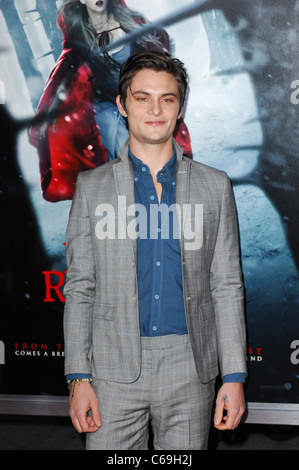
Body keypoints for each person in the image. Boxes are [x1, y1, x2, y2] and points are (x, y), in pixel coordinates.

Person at [63, 51, 247, 450]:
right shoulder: (92, 188)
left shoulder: (215, 187)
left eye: (167, 98)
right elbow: (79, 288)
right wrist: (79, 377)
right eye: (142, 97)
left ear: (180, 108)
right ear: (122, 105)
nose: (155, 109)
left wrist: (233, 377)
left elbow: (226, 286)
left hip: (190, 368)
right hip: (111, 369)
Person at [29, 0, 192, 202]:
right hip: (105, 107)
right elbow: (65, 76)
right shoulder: (80, 36)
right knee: (115, 139)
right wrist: (51, 112)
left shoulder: (132, 23)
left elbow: (164, 51)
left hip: (139, 103)